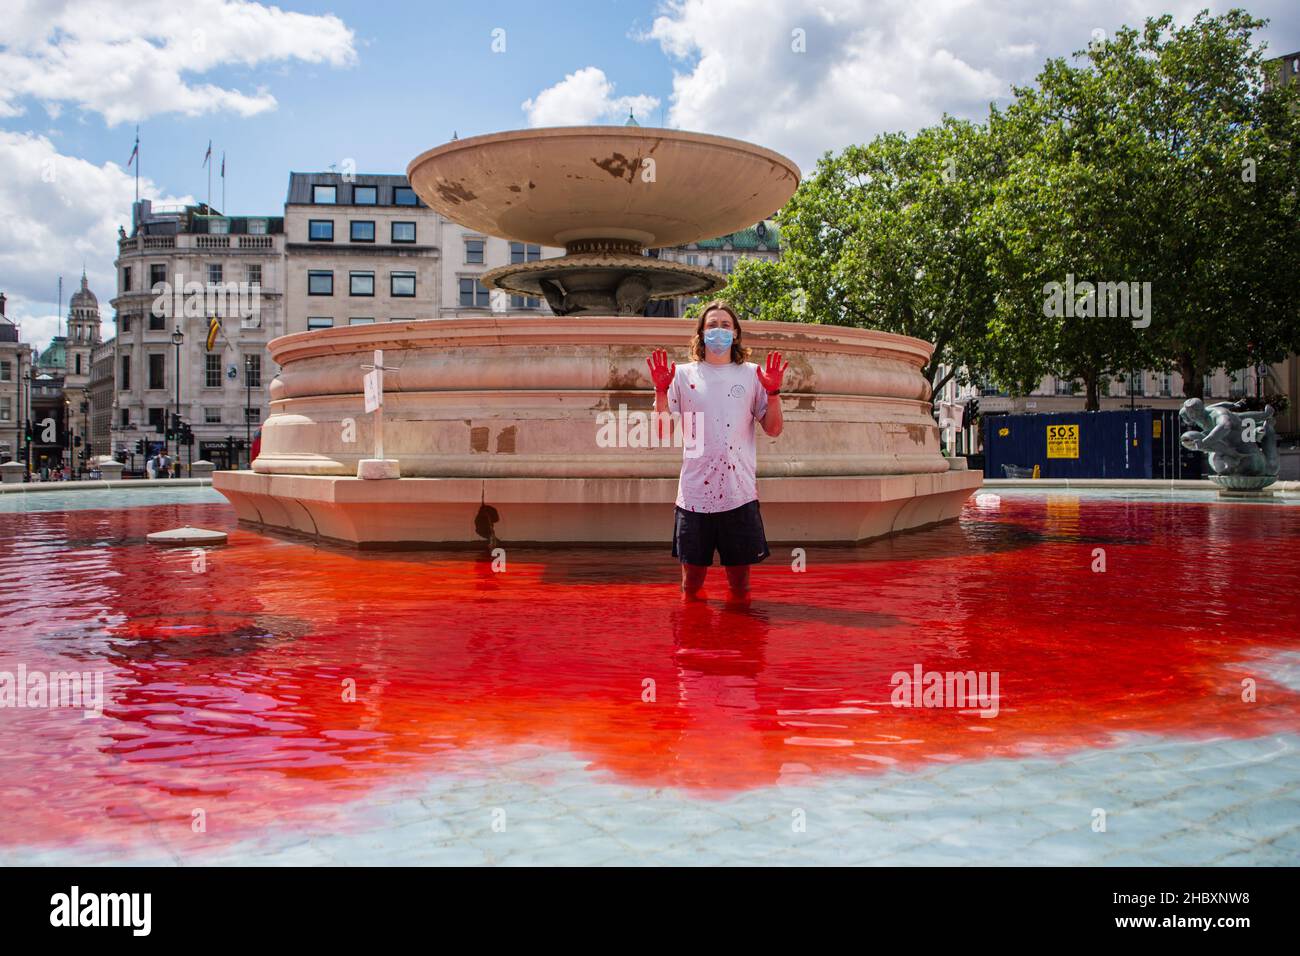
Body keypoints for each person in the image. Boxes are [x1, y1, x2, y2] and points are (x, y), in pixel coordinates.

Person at [647, 300, 787, 601]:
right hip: (694, 498)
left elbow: (773, 429)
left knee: (740, 587)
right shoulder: (682, 375)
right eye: (712, 325)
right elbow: (661, 431)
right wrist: (660, 391)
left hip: (739, 496)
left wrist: (773, 393)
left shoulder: (753, 375)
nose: (719, 331)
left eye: (725, 325)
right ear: (701, 333)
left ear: (736, 333)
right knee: (692, 587)